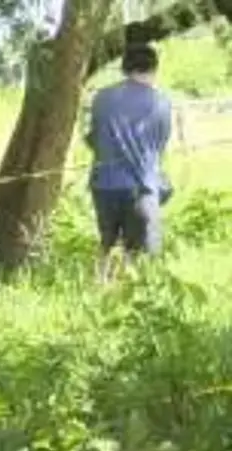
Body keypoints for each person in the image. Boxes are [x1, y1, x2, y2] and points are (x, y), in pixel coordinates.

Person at [85, 42, 173, 282]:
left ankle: (101, 288)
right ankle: (127, 292)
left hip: (104, 183)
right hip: (142, 187)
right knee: (137, 254)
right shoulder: (161, 102)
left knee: (107, 243)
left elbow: (92, 138)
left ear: (124, 68)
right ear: (154, 68)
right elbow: (159, 146)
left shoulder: (102, 98)